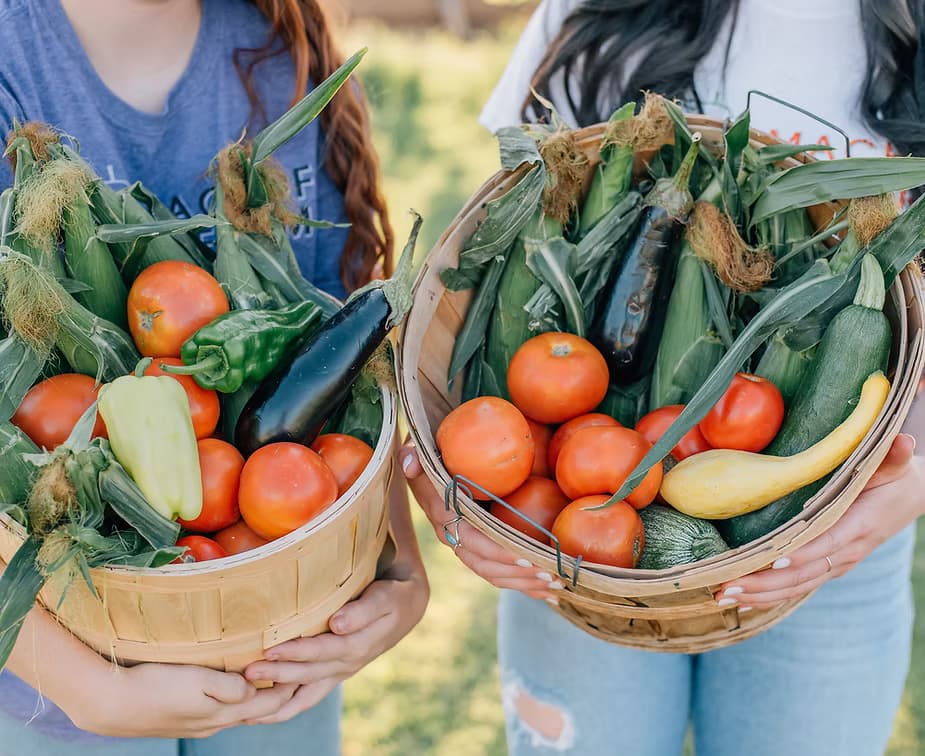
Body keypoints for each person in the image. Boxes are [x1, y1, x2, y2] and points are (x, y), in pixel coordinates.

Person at [404, 1, 925, 754]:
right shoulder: (594, 12)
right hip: (580, 558)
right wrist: (449, 495)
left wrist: (915, 477)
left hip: (833, 557)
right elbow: (492, 259)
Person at [0, 0, 429, 752]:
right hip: (57, 674)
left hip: (279, 648)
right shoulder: (17, 58)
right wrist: (88, 688)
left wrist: (399, 573)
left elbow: (349, 360)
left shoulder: (273, 47)